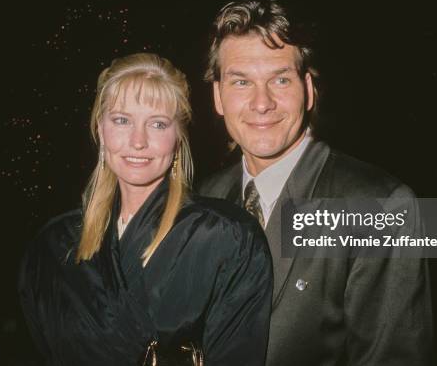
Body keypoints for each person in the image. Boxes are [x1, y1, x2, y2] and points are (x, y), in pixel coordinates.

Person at [198, 0, 433, 365]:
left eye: (279, 79)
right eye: (241, 82)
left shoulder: (380, 205)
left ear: (308, 89)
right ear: (218, 96)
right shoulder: (203, 199)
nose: (262, 103)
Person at [18, 53, 273, 366]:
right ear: (100, 128)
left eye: (157, 124)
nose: (138, 141)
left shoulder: (228, 237)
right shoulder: (53, 247)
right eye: (122, 120)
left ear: (178, 137)